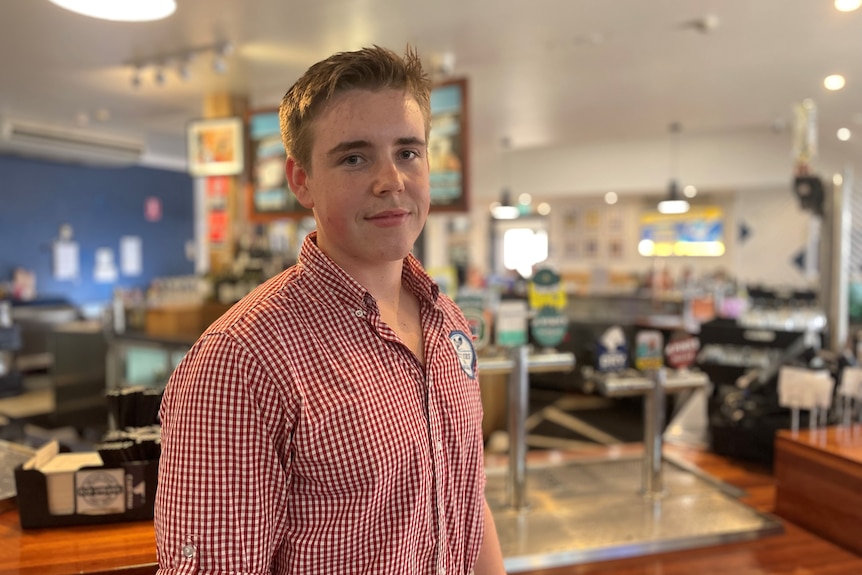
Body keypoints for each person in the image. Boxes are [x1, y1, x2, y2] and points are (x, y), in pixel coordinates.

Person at [154, 45, 506, 575]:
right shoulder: (239, 362)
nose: (391, 180)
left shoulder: (448, 323)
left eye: (408, 152)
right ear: (301, 182)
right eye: (354, 157)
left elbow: (466, 502)